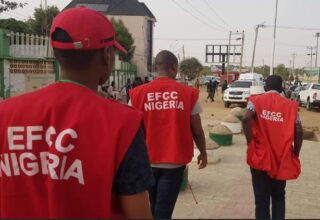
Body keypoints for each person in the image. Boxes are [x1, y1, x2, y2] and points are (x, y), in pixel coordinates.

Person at [0, 7, 154, 219]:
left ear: (56, 53)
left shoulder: (4, 114)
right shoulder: (123, 123)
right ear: (107, 56)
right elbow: (138, 213)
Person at [129, 50, 207, 219]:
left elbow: (130, 130)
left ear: (156, 67)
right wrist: (203, 152)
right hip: (174, 164)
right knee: (163, 211)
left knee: (152, 208)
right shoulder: (187, 93)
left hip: (146, 163)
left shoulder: (137, 94)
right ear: (173, 67)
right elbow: (198, 131)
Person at [242, 75, 303, 219]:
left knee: (261, 200)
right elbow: (299, 131)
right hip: (282, 159)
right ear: (281, 88)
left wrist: (250, 143)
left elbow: (245, 118)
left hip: (260, 158)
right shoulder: (292, 106)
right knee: (279, 196)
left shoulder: (254, 101)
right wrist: (295, 154)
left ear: (265, 87)